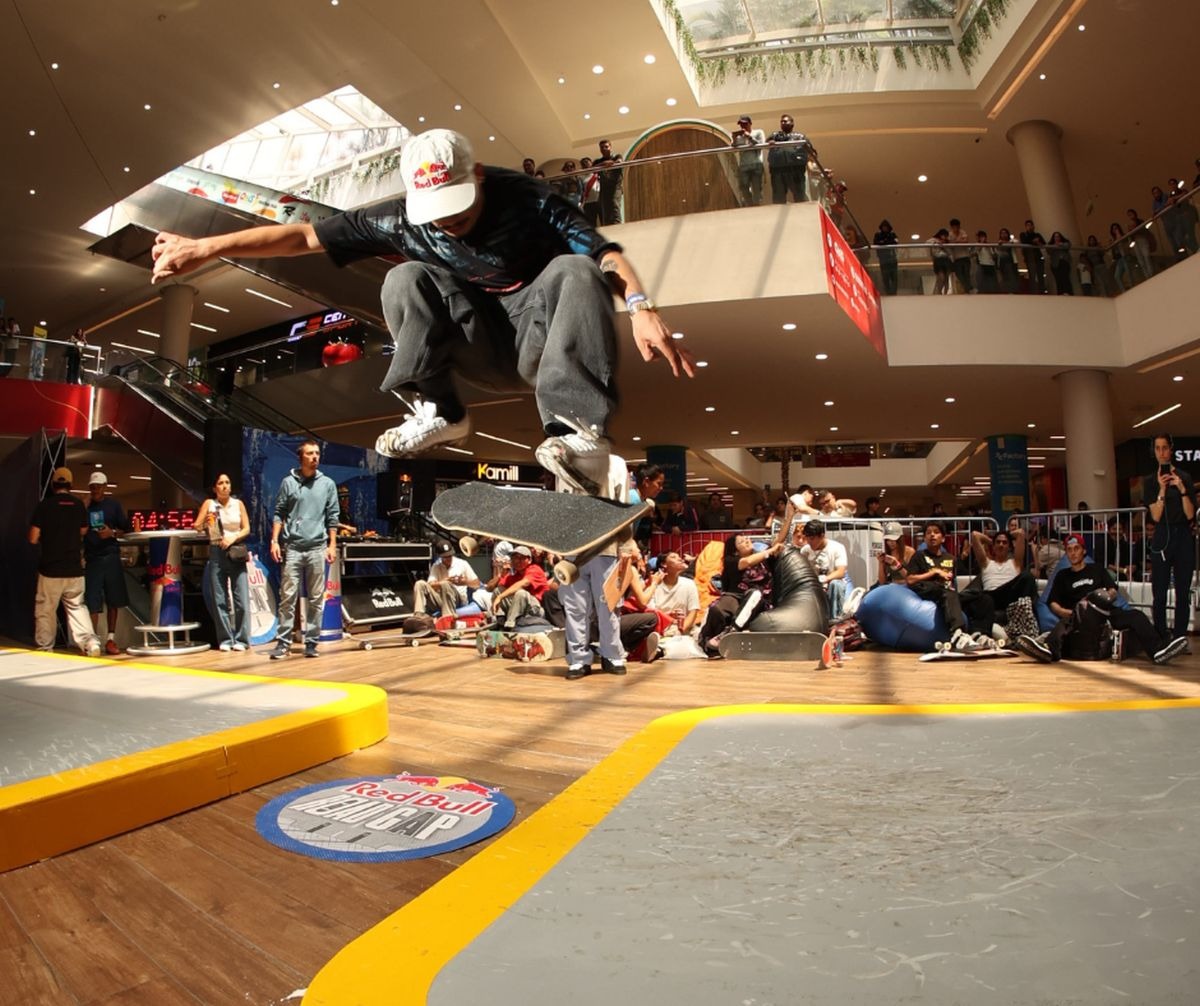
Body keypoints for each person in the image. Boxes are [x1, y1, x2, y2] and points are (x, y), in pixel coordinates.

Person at [151, 129, 692, 497]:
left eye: (457, 209)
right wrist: (209, 246)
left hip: (539, 337)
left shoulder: (526, 197)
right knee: (403, 277)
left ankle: (579, 432)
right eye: (436, 215)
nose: (448, 223)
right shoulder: (400, 219)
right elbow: (304, 236)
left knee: (575, 268)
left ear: (477, 174)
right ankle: (441, 410)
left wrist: (640, 306)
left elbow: (604, 253)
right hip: (477, 345)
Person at [1016, 534, 1186, 665]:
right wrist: (1069, 613)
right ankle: (1047, 650)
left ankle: (1157, 651)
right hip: (1079, 615)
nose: (1073, 553)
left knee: (1137, 616)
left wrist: (1107, 597)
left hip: (1105, 611)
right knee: (1068, 621)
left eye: (1076, 548)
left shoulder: (1097, 569)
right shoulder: (1062, 575)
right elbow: (1053, 603)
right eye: (1069, 550)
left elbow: (1112, 590)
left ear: (1084, 551)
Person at [268, 439, 339, 659]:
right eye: (310, 453)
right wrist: (274, 541)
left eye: (317, 453)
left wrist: (332, 545)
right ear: (301, 457)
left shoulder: (327, 484)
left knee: (316, 598)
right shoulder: (288, 482)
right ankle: (283, 643)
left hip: (317, 547)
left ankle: (311, 643)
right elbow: (279, 513)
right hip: (293, 547)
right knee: (287, 596)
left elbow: (333, 516)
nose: (315, 457)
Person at [28, 467, 101, 656]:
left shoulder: (44, 506)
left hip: (50, 570)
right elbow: (83, 530)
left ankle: (45, 648)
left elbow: (33, 538)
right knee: (77, 607)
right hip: (74, 569)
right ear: (71, 485)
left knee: (46, 610)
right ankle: (90, 643)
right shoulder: (78, 505)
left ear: (53, 485)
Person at [905, 521, 994, 650]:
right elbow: (910, 579)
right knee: (946, 590)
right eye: (928, 533)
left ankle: (980, 634)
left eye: (936, 532)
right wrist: (934, 572)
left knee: (983, 598)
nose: (932, 535)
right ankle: (957, 634)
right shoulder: (919, 556)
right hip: (929, 591)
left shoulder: (951, 558)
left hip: (949, 595)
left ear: (943, 538)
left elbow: (959, 578)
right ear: (924, 538)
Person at [1144, 432, 1196, 644]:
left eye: (1165, 448)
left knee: (1183, 591)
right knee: (1160, 591)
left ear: (1171, 449)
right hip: (1162, 535)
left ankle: (1180, 636)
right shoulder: (1150, 481)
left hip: (1183, 535)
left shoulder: (1185, 477)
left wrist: (1182, 489)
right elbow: (1155, 516)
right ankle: (1160, 635)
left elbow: (1190, 514)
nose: (1162, 452)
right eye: (1157, 448)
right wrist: (1162, 489)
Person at [193, 472, 252, 651]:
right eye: (221, 483)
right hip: (216, 552)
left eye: (227, 482)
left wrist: (233, 537)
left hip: (235, 551)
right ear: (214, 488)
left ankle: (242, 639)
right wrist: (206, 523)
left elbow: (246, 528)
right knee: (219, 599)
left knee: (241, 598)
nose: (225, 486)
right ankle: (226, 639)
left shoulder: (238, 504)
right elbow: (197, 526)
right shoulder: (209, 504)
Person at [698, 535, 783, 653]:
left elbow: (779, 540)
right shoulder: (731, 561)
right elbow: (747, 562)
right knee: (716, 609)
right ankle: (705, 641)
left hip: (759, 600)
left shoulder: (764, 558)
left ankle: (731, 632)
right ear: (736, 551)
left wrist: (788, 521)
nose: (747, 541)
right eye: (741, 542)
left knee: (755, 594)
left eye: (747, 538)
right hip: (736, 597)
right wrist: (770, 551)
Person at [83, 471, 131, 655]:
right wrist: (82, 506)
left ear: (104, 487)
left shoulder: (113, 505)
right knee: (92, 600)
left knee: (113, 599)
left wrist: (112, 533)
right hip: (92, 558)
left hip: (111, 556)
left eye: (98, 486)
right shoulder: (85, 507)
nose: (95, 490)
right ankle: (93, 639)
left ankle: (111, 639)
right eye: (92, 487)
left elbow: (126, 529)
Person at [483, 545, 549, 630]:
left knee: (521, 593)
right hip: (519, 611)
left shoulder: (535, 569)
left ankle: (510, 625)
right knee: (498, 590)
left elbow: (523, 584)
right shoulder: (513, 576)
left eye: (521, 558)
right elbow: (489, 588)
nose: (517, 561)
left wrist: (500, 597)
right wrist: (501, 574)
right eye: (514, 558)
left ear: (529, 560)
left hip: (536, 610)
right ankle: (500, 621)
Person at [413, 541, 480, 617]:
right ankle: (418, 615)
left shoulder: (462, 563)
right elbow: (430, 584)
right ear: (440, 556)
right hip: (441, 599)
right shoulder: (436, 566)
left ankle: (447, 616)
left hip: (458, 600)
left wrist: (464, 582)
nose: (448, 558)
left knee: (446, 584)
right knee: (419, 584)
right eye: (445, 557)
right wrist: (444, 581)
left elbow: (477, 584)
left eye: (450, 556)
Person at [798, 519, 848, 618]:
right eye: (807, 538)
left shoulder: (837, 548)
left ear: (822, 535)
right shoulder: (805, 551)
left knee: (835, 584)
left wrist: (825, 579)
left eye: (812, 538)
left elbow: (841, 572)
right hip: (813, 585)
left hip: (831, 584)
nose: (809, 542)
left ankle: (834, 618)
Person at [766, 114, 811, 204]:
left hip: (796, 170)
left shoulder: (800, 136)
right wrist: (770, 143)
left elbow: (810, 151)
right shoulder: (775, 135)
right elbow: (766, 144)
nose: (783, 123)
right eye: (781, 121)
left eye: (785, 121)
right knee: (778, 198)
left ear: (792, 123)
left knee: (799, 196)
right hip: (778, 170)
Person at [730, 115, 765, 206]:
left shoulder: (758, 132)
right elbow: (734, 149)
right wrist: (734, 138)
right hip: (743, 166)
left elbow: (761, 145)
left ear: (750, 123)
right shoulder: (739, 137)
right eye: (741, 124)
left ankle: (757, 205)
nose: (743, 126)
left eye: (745, 124)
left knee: (757, 187)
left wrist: (750, 137)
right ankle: (750, 205)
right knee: (743, 187)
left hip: (756, 164)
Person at [593, 138, 624, 225]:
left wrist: (610, 163)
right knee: (605, 212)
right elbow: (592, 168)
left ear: (610, 147)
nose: (604, 149)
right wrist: (604, 164)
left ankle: (619, 229)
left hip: (615, 188)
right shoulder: (598, 161)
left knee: (615, 208)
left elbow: (619, 161)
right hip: (604, 190)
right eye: (602, 147)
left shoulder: (617, 156)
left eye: (606, 147)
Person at [877, 522, 914, 586]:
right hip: (892, 586)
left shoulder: (909, 552)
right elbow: (882, 582)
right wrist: (880, 563)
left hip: (907, 586)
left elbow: (912, 578)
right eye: (888, 540)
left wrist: (897, 565)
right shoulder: (887, 553)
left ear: (900, 539)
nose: (891, 543)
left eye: (894, 539)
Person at [873, 220, 899, 295]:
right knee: (885, 277)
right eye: (884, 227)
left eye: (886, 227)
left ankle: (894, 292)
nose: (885, 228)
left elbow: (895, 242)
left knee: (894, 277)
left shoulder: (892, 234)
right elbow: (876, 243)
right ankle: (888, 292)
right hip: (883, 260)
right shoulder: (878, 235)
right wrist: (887, 242)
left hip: (892, 259)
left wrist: (884, 242)